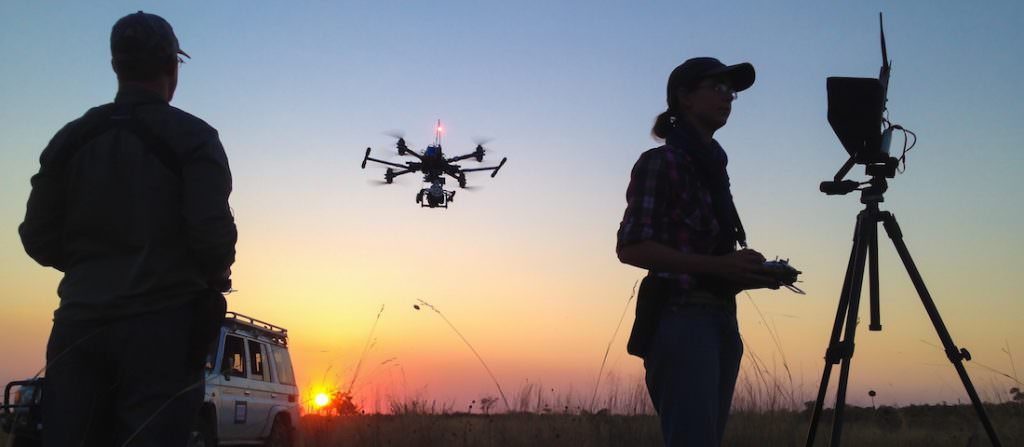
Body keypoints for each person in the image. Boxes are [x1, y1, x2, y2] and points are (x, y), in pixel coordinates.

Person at [19, 11, 237, 446]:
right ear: (172, 67)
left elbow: (36, 236)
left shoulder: (71, 138)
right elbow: (213, 240)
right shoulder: (194, 138)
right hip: (163, 335)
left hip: (78, 329)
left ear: (116, 65)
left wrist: (92, 267)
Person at [616, 57, 778, 446]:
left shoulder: (713, 169)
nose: (728, 98)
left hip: (721, 320)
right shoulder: (660, 163)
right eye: (717, 88)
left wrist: (744, 273)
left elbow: (708, 259)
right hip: (683, 320)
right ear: (684, 98)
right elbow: (631, 246)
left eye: (732, 92)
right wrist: (720, 266)